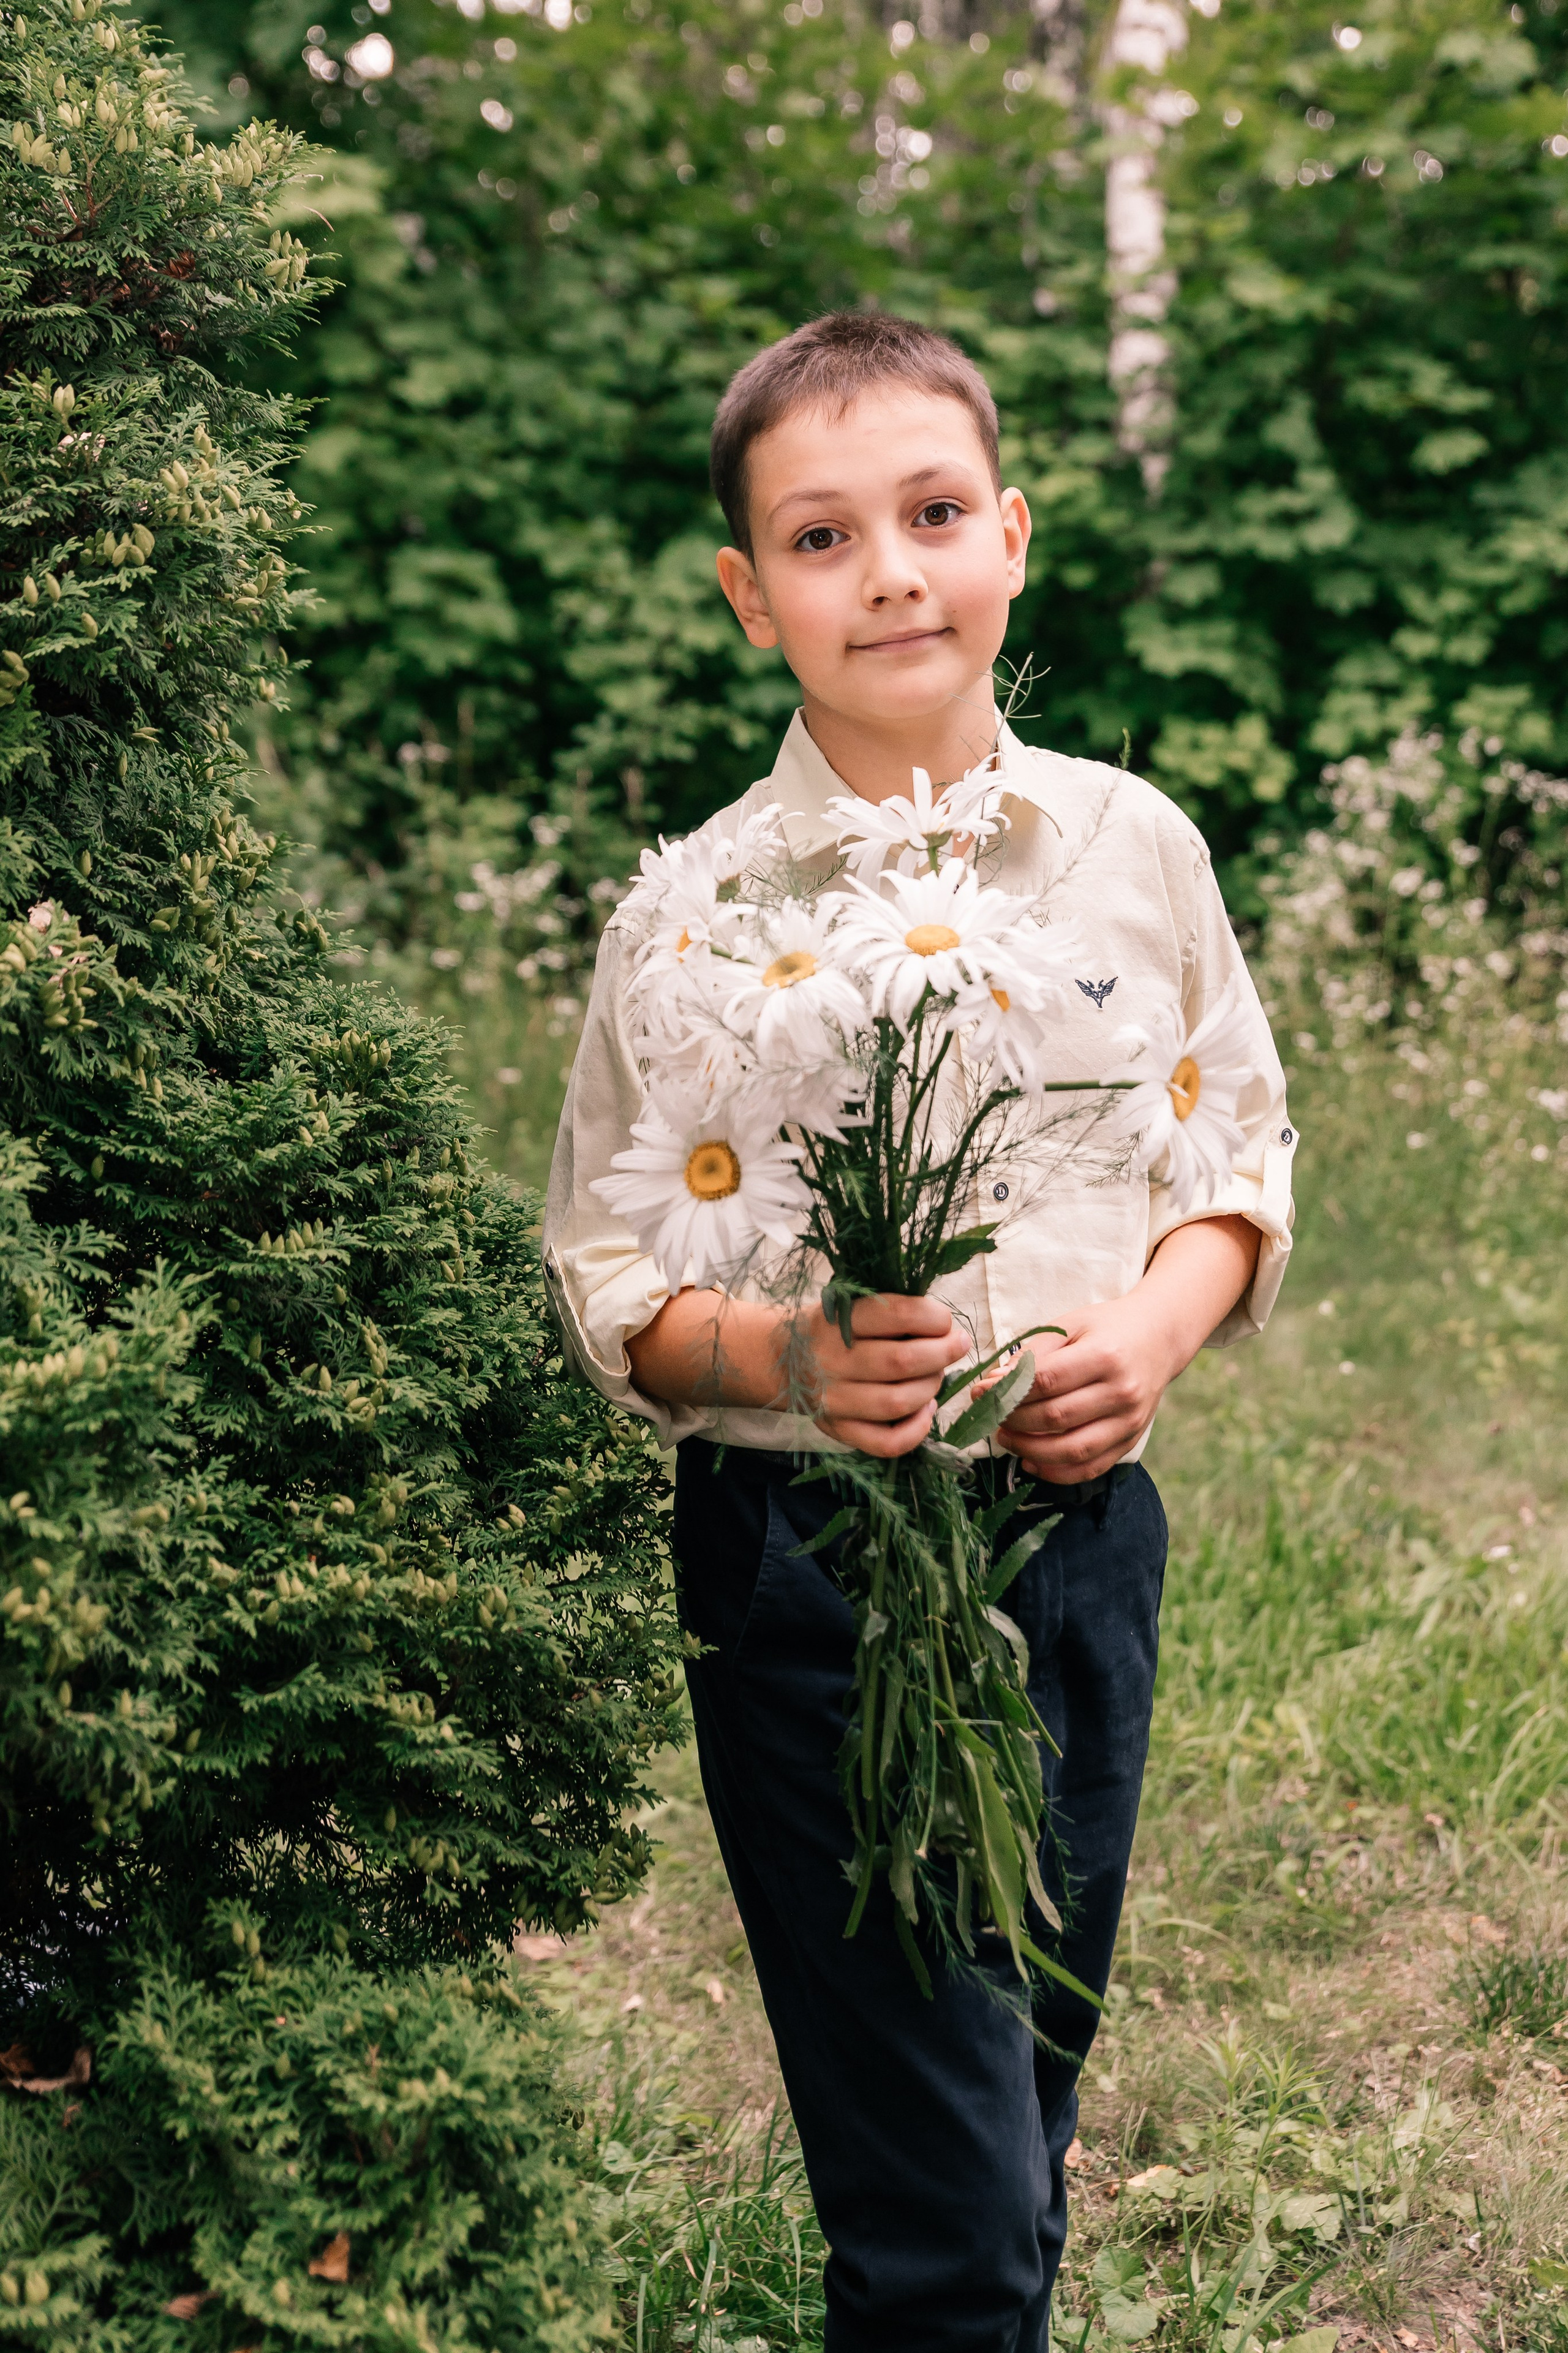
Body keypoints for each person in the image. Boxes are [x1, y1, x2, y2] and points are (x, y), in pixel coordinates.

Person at [542, 311, 1297, 2352]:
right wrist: (785, 1359)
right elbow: (611, 1273)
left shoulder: (1133, 852)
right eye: (821, 534)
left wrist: (1151, 1327)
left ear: (1015, 538)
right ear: (746, 591)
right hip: (815, 1581)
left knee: (1012, 2123)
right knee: (946, 2218)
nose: (889, 570)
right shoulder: (690, 916)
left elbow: (1232, 1150)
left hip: (1077, 1555)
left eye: (935, 513)